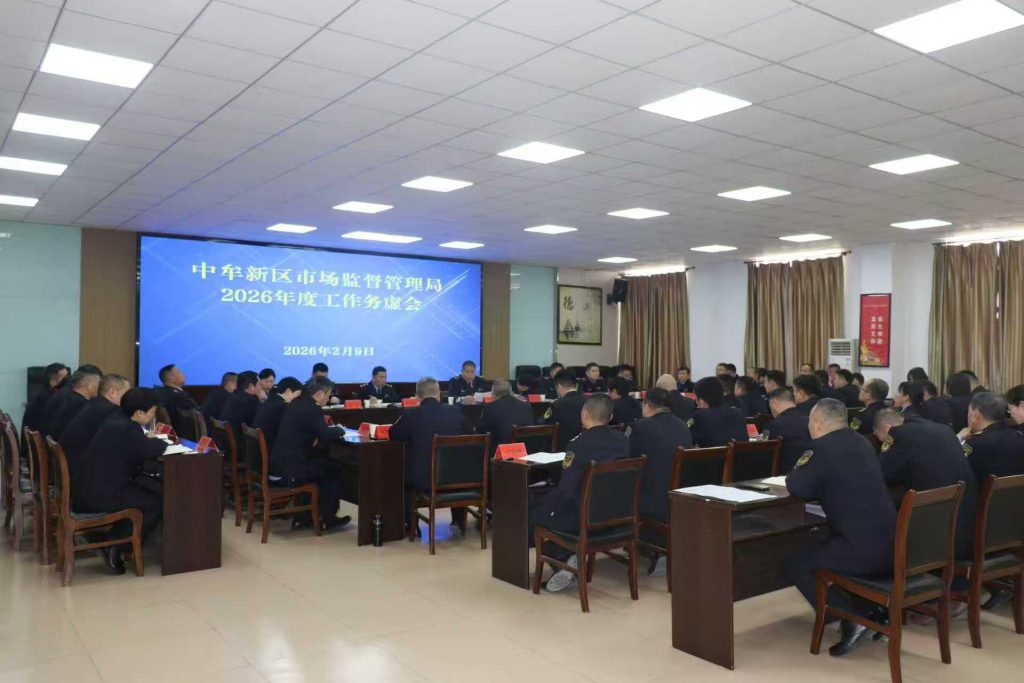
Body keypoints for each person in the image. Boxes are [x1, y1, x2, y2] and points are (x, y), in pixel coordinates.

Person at [783, 398, 897, 657]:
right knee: (821, 545)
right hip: (892, 546)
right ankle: (869, 610)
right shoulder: (863, 442)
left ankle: (852, 617)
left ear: (817, 424)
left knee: (794, 563)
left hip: (861, 551)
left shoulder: (821, 448)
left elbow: (796, 485)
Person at [530, 394, 629, 592]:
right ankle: (566, 556)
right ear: (610, 417)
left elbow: (567, 491)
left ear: (585, 414)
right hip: (616, 515)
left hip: (583, 517)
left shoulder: (577, 445)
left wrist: (548, 505)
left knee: (533, 511)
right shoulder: (623, 441)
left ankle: (562, 559)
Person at [73, 388, 168, 574]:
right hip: (99, 495)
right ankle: (116, 546)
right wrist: (161, 442)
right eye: (152, 412)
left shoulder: (117, 419)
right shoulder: (127, 428)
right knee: (156, 502)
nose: (153, 416)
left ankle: (116, 538)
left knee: (153, 490)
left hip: (91, 487)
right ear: (139, 413)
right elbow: (149, 450)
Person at [873, 409, 977, 559]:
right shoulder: (944, 429)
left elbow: (883, 473)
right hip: (964, 526)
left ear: (887, 428)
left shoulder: (898, 433)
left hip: (931, 536)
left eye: (881, 439)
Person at [269, 376, 351, 531]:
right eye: (328, 395)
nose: (328, 399)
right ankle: (328, 519)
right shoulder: (312, 408)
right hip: (290, 470)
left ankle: (305, 517)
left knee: (322, 463)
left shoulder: (297, 403)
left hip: (280, 464)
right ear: (320, 393)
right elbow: (325, 434)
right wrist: (341, 429)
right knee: (332, 470)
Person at [391, 377, 470, 533]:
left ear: (417, 396)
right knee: (457, 465)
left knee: (401, 476)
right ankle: (458, 520)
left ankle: (411, 525)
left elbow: (394, 434)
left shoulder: (411, 414)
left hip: (423, 479)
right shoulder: (455, 412)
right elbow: (471, 436)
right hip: (455, 477)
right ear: (438, 393)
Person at [631, 388, 692, 576]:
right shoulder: (683, 426)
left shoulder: (640, 427)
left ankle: (649, 545)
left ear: (647, 405)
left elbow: (628, 460)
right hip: (679, 497)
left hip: (653, 501)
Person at [58, 374, 131, 459]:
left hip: (71, 456)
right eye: (127, 393)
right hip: (80, 462)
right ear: (112, 392)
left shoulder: (94, 403)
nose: (129, 397)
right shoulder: (110, 411)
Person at [961, 392, 1024, 482]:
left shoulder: (975, 444)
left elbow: (957, 469)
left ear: (976, 413)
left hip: (984, 491)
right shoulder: (1019, 436)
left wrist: (959, 438)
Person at [477, 378, 533, 455]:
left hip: (500, 452)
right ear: (511, 392)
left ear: (493, 394)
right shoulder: (526, 406)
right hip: (526, 451)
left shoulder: (490, 407)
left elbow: (481, 430)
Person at [690, 377, 747, 447]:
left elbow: (687, 438)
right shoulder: (737, 413)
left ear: (701, 401)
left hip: (710, 454)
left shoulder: (697, 416)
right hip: (738, 453)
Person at [44, 370, 100, 438]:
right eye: (98, 384)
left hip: (50, 438)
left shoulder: (65, 395)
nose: (99, 388)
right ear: (90, 385)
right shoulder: (82, 404)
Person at [766, 388, 811, 472]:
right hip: (808, 470)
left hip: (783, 473)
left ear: (774, 403)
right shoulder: (809, 420)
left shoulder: (774, 425)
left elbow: (767, 455)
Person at [253, 376, 303, 451]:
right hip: (270, 448)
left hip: (258, 447)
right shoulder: (282, 406)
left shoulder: (271, 400)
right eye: (297, 394)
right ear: (288, 391)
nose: (298, 398)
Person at [22, 362, 69, 434]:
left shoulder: (45, 395)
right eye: (64, 378)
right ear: (53, 381)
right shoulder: (47, 399)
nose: (68, 381)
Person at [543, 371, 586, 450]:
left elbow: (545, 423)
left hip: (562, 448)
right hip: (586, 446)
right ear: (576, 385)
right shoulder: (589, 402)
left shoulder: (556, 404)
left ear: (559, 386)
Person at [156, 364, 198, 434]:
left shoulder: (160, 392)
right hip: (184, 435)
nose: (183, 374)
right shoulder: (179, 396)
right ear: (171, 378)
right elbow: (196, 416)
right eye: (179, 372)